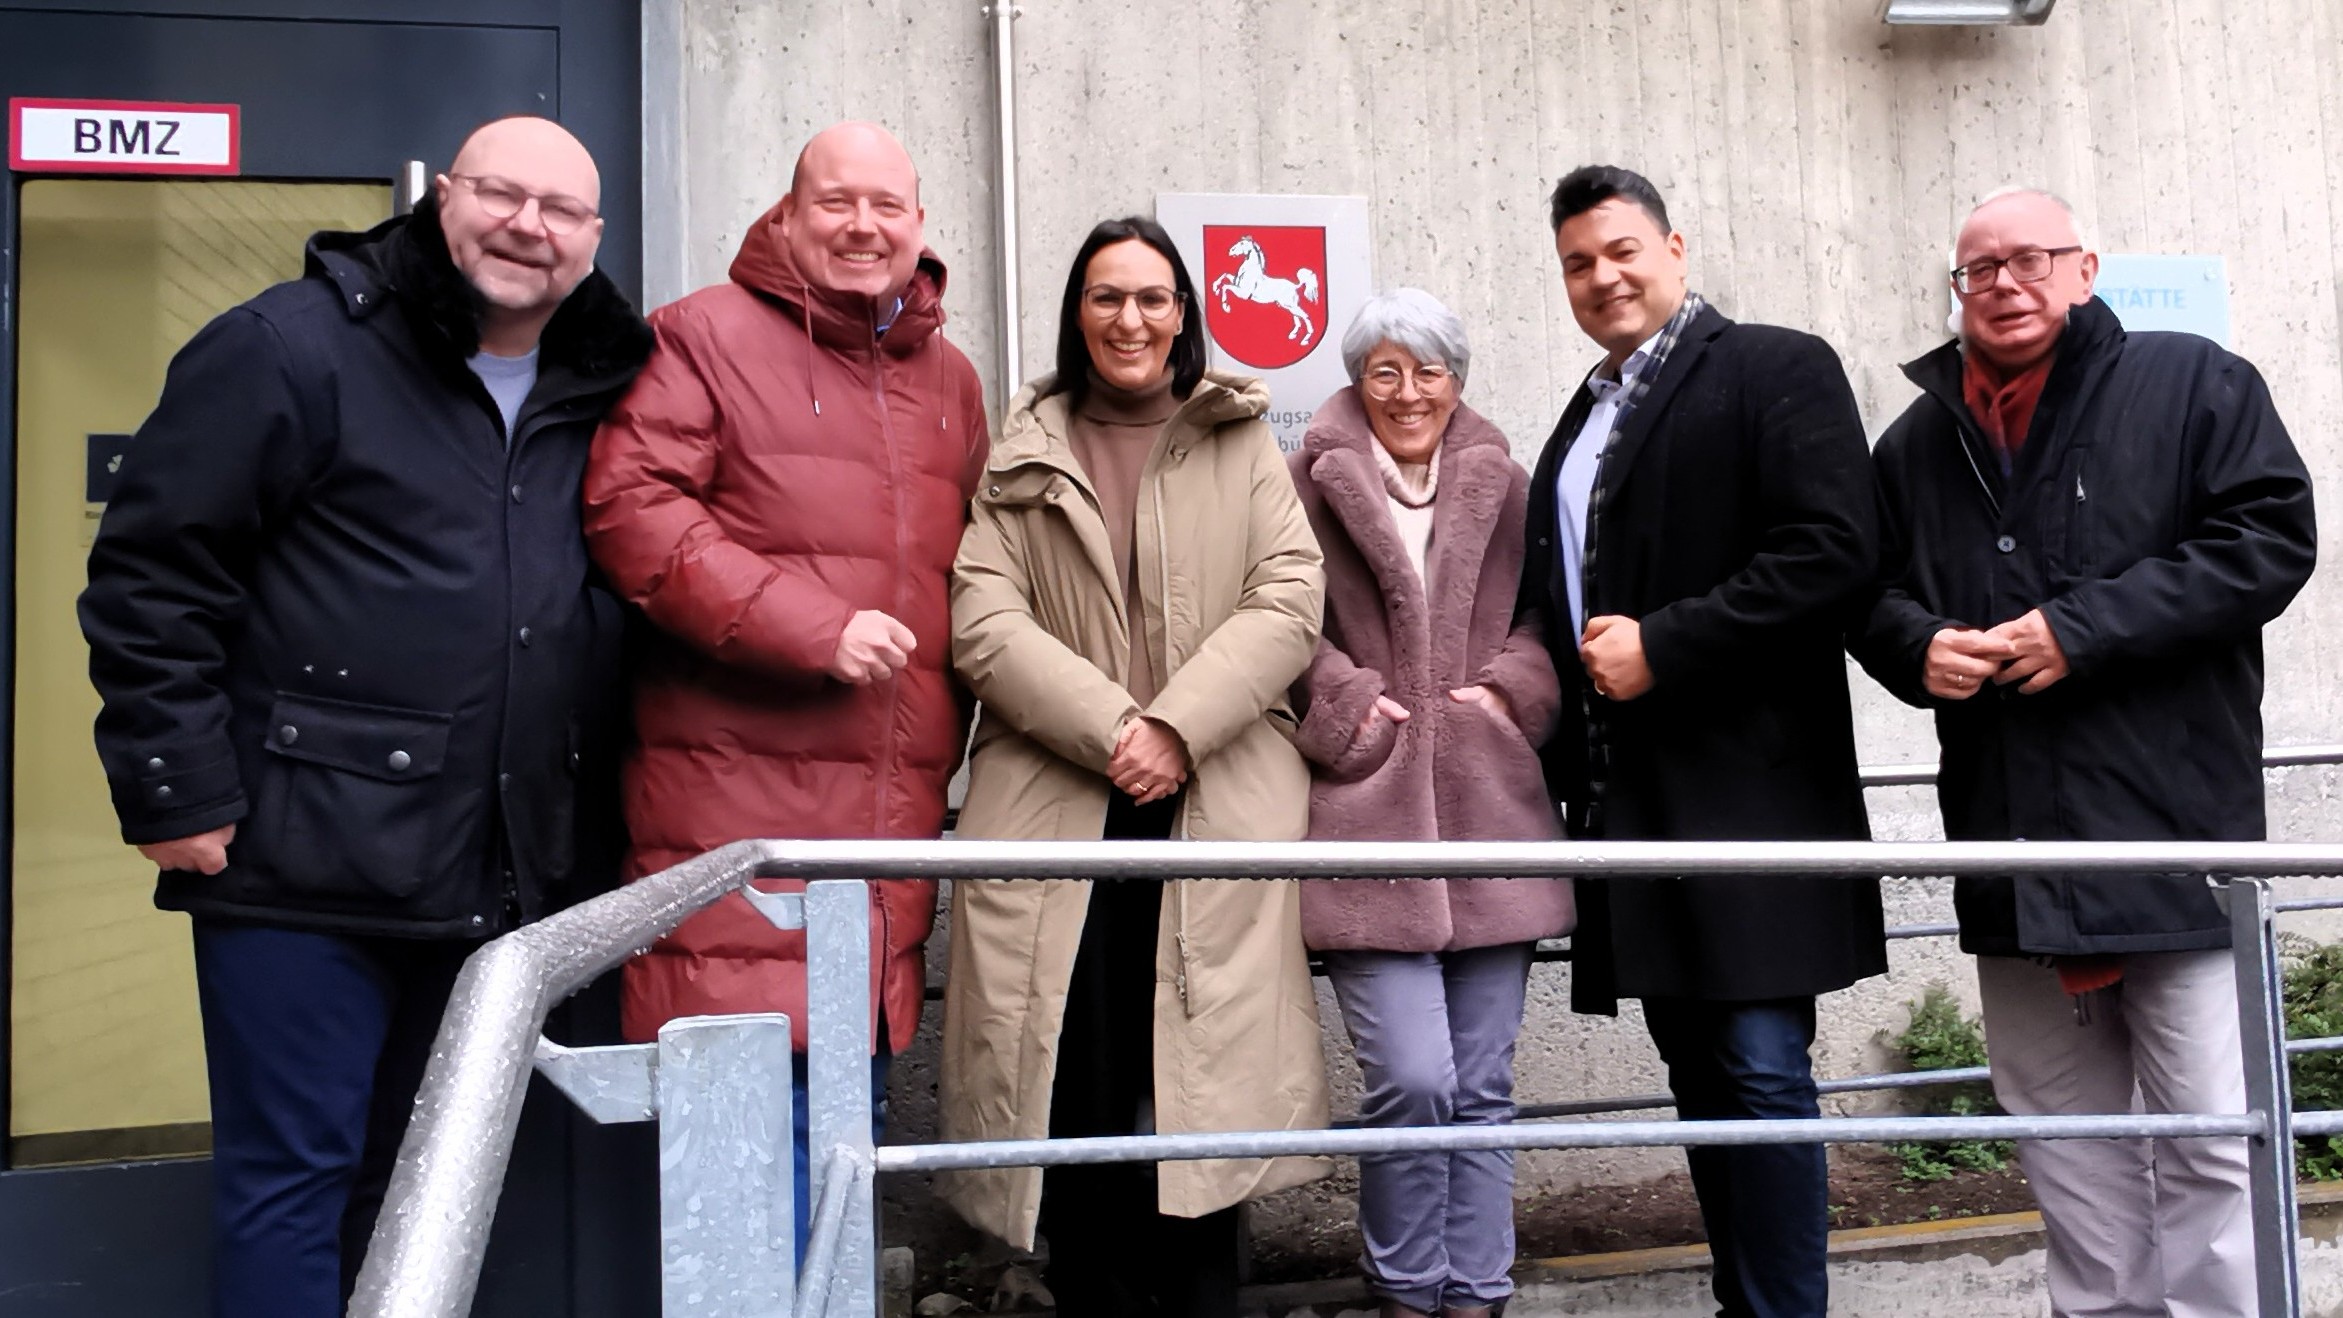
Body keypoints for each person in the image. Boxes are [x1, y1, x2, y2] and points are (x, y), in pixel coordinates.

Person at [77, 116, 649, 1317]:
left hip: (491, 871)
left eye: (561, 211)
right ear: (443, 198)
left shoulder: (607, 379)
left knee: (417, 1189)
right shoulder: (289, 348)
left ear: (594, 239)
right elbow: (152, 575)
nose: (528, 227)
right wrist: (173, 787)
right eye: (501, 194)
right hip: (300, 863)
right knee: (294, 1185)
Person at [1854, 187, 2316, 1318]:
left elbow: (2269, 539)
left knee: (2213, 1136)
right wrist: (1917, 646)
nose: (2003, 284)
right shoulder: (1915, 443)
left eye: (2029, 259)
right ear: (1956, 290)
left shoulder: (2194, 381)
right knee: (2064, 1143)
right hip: (2012, 849)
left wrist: (2084, 628)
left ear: (2085, 268)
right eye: (1978, 269)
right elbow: (1862, 589)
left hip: (2175, 843)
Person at [582, 121, 989, 1255]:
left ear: (919, 224)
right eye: (836, 202)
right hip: (734, 833)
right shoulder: (700, 337)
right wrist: (811, 626)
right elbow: (631, 511)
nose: (863, 226)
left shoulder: (950, 382)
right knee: (742, 1198)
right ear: (790, 211)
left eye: (886, 206)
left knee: (839, 1189)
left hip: (880, 854)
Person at [938, 215, 1329, 1318]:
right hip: (1062, 800)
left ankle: (1201, 1299)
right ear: (1078, 313)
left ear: (1182, 314)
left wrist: (1175, 730)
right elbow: (983, 619)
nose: (1131, 319)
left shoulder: (1237, 438)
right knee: (1077, 1067)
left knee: (1201, 1077)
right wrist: (1117, 730)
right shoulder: (1023, 448)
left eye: (1153, 298)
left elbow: (1290, 597)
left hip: (1211, 798)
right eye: (1107, 296)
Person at [1518, 165, 1883, 1318]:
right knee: (1702, 1079)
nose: (1602, 277)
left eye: (1622, 250)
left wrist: (1666, 645)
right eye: (1578, 263)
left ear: (1675, 249)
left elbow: (1835, 552)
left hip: (1751, 801)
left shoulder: (1776, 365)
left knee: (1761, 1072)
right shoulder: (1582, 415)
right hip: (1633, 808)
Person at [1285, 287, 1572, 1318]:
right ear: (1357, 381)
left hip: (1493, 812)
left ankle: (1478, 1291)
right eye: (1385, 372)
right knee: (1411, 1078)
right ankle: (1408, 1291)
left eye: (1429, 371)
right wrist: (1349, 705)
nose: (1408, 392)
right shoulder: (1303, 483)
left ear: (1458, 380)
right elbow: (1278, 619)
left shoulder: (1509, 482)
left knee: (1483, 1086)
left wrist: (1510, 692)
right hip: (1368, 818)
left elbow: (1551, 612)